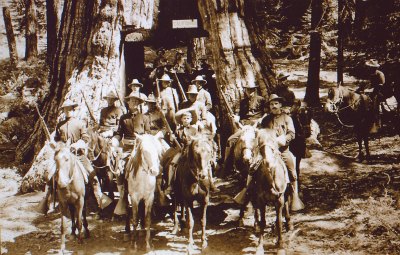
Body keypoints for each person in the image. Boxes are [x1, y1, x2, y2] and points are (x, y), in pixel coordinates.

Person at [246, 94, 303, 211]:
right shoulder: (266, 119)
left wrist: (282, 140)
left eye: (276, 103)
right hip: (268, 151)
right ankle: (247, 194)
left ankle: (294, 196)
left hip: (283, 151)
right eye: (271, 104)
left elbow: (292, 134)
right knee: (252, 169)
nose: (274, 106)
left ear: (280, 105)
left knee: (292, 171)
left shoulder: (287, 118)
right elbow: (260, 133)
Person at [54, 99, 110, 215]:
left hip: (78, 155)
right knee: (51, 175)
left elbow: (85, 138)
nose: (68, 111)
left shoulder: (80, 124)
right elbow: (57, 139)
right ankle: (50, 201)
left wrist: (77, 144)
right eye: (66, 109)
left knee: (93, 176)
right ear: (63, 111)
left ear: (74, 110)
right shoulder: (60, 125)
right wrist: (57, 145)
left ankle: (100, 203)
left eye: (70, 109)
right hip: (64, 155)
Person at [165, 109, 218, 194]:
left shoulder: (194, 129)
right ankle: (170, 184)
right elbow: (174, 143)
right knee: (172, 164)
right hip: (182, 150)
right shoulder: (178, 130)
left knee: (206, 164)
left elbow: (199, 140)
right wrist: (172, 138)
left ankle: (211, 183)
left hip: (193, 151)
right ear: (181, 120)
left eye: (188, 118)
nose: (186, 120)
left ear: (191, 119)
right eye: (184, 118)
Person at [223, 82, 267, 168]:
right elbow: (241, 115)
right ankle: (227, 165)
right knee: (230, 140)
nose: (250, 92)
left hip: (257, 126)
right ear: (245, 90)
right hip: (244, 126)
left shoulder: (261, 99)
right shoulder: (243, 102)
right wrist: (236, 118)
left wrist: (260, 120)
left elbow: (266, 112)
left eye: (252, 90)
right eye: (248, 90)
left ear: (255, 90)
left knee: (264, 141)